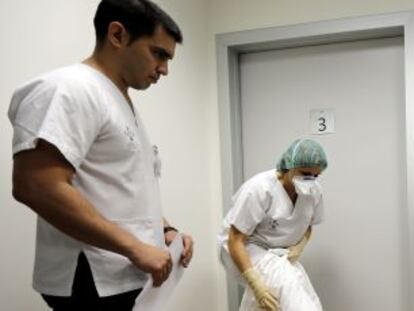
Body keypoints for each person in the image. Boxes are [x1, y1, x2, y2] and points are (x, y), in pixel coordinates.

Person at [8, 0, 193, 310]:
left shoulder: (117, 100)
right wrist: (134, 247)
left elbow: (122, 188)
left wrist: (165, 231)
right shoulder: (70, 89)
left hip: (128, 276)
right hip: (91, 282)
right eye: (158, 54)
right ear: (117, 35)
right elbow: (36, 186)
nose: (164, 69)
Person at [218, 138, 328, 311]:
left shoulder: (313, 191)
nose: (311, 180)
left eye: (316, 176)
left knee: (292, 286)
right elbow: (235, 239)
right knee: (288, 284)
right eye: (305, 173)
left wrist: (301, 245)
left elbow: (308, 222)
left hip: (279, 253)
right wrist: (254, 282)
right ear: (289, 166)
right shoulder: (259, 188)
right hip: (246, 248)